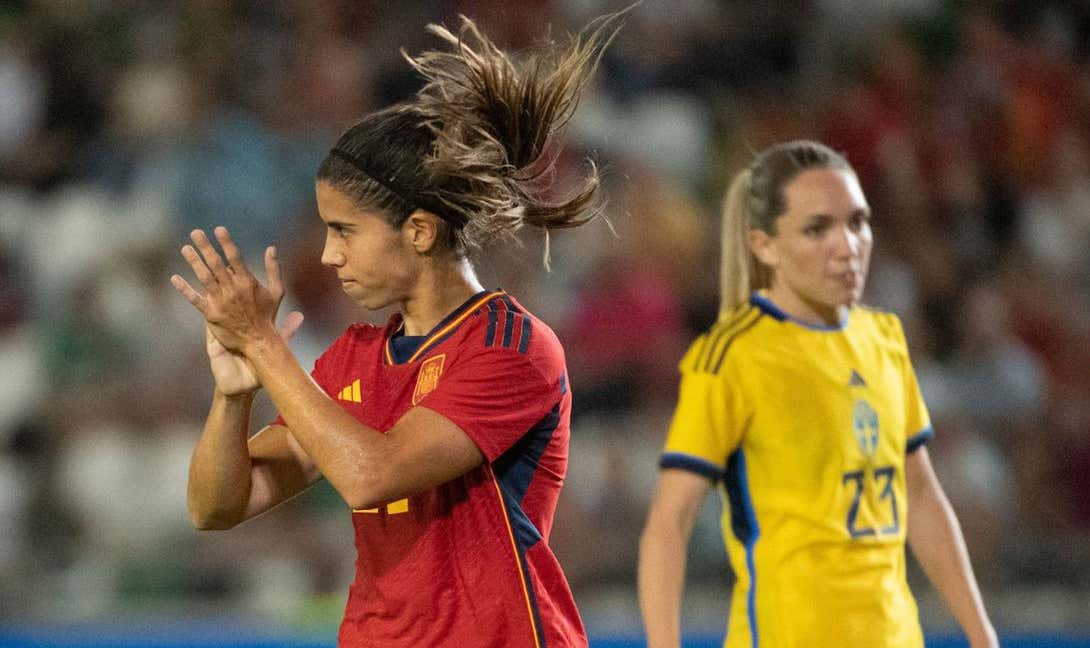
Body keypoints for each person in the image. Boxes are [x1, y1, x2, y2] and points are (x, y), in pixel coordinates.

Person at [170, 15, 619, 648]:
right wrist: (234, 393)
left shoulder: (512, 347)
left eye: (344, 230)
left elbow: (370, 476)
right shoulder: (352, 358)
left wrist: (269, 347)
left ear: (418, 230)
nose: (327, 257)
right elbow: (215, 509)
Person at [637, 140, 999, 647]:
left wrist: (982, 635)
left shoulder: (885, 340)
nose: (847, 245)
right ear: (763, 245)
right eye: (817, 228)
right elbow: (670, 520)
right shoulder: (733, 357)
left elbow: (920, 495)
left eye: (858, 221)